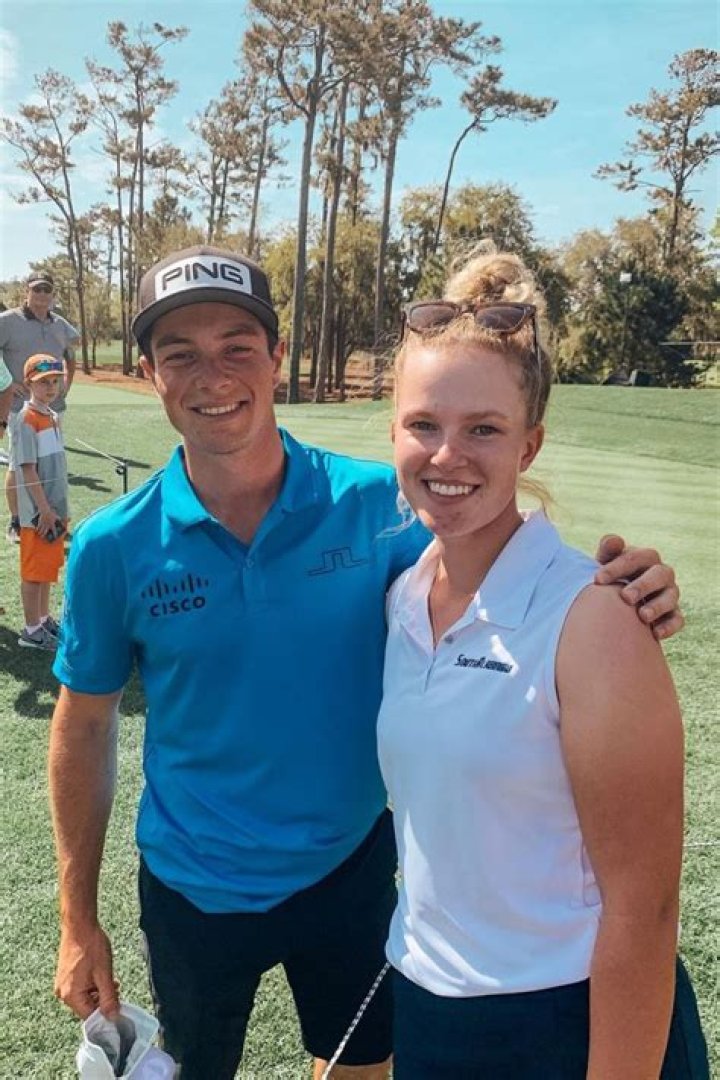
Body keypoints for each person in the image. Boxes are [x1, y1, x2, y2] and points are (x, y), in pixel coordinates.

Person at [49, 245, 683, 1080]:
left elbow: (490, 547)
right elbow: (83, 726)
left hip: (350, 869)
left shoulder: (379, 508)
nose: (214, 376)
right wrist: (75, 916)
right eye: (182, 354)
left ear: (277, 357)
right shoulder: (110, 545)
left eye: (238, 346)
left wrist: (627, 582)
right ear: (149, 373)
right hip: (191, 880)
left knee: (356, 1065)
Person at [378, 250, 708, 1078]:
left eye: (483, 429)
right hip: (428, 1004)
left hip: (566, 1020)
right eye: (424, 425)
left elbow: (645, 906)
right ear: (394, 434)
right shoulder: (402, 597)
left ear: (529, 446)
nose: (447, 455)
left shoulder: (596, 618)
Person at [0, 272, 78, 543]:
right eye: (37, 289)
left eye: (47, 290)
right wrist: (8, 383)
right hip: (20, 408)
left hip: (54, 407)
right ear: (27, 291)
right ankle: (16, 521)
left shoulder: (60, 324)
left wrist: (68, 382)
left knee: (50, 463)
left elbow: (70, 353)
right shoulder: (7, 321)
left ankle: (50, 517)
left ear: (52, 294)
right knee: (19, 465)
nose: (42, 295)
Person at [15, 354, 69, 650]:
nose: (50, 388)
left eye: (55, 381)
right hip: (39, 513)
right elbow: (27, 469)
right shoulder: (27, 420)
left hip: (55, 509)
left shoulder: (52, 416)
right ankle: (31, 629)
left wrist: (56, 509)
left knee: (47, 568)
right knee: (34, 571)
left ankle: (44, 618)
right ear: (29, 384)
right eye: (43, 382)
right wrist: (44, 510)